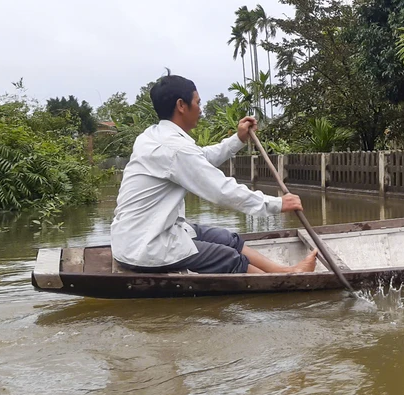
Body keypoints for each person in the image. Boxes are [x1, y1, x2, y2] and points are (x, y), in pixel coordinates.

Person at [110, 73, 317, 274]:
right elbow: (221, 190)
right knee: (227, 256)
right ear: (181, 106)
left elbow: (200, 158)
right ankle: (283, 283)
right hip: (145, 247)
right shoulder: (174, 148)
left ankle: (285, 271)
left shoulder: (153, 136)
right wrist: (277, 204)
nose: (200, 110)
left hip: (140, 236)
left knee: (227, 239)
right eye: (198, 103)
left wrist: (238, 139)